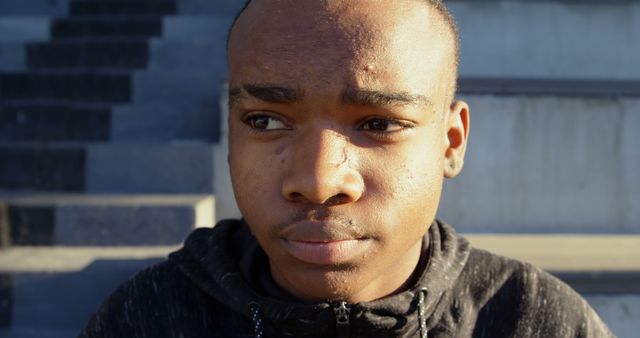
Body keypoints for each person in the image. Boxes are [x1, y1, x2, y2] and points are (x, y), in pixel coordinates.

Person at [79, 0, 614, 337]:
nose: (318, 181)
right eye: (266, 121)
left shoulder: (532, 320)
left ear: (450, 142)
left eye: (379, 124)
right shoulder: (151, 318)